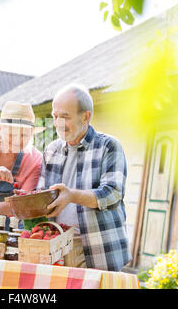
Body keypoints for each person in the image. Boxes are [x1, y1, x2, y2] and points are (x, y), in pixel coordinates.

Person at [38, 83, 132, 271]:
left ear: (86, 116)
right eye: (55, 117)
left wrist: (71, 195)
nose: (58, 123)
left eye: (65, 117)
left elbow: (112, 194)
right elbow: (41, 194)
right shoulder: (51, 150)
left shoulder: (109, 146)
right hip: (57, 247)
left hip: (98, 250)